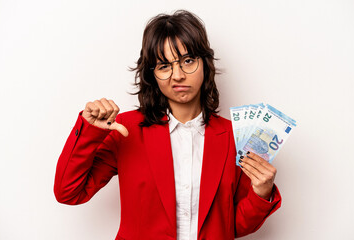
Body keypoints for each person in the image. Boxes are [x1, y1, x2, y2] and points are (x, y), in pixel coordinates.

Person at [54, 10, 281, 240]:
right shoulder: (126, 129)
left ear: (205, 64)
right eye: (164, 66)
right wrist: (89, 131)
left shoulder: (235, 137)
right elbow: (69, 193)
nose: (178, 75)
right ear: (152, 75)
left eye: (188, 61)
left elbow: (232, 227)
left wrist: (261, 193)